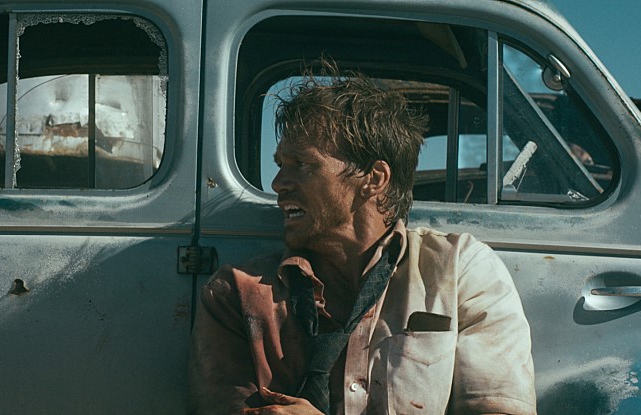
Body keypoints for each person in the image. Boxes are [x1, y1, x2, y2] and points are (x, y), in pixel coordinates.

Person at [188, 61, 536, 415]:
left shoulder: (459, 270)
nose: (278, 183)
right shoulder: (236, 294)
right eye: (280, 165)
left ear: (374, 178)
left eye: (302, 164)